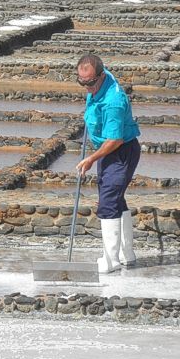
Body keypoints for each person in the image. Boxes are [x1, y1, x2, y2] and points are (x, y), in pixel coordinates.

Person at [75, 54, 141, 273]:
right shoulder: (99, 83)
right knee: (115, 198)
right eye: (81, 82)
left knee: (108, 201)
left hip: (120, 151)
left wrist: (92, 158)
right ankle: (126, 254)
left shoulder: (113, 101)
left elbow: (115, 139)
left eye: (91, 82)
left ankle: (111, 260)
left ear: (101, 76)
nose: (86, 87)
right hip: (107, 150)